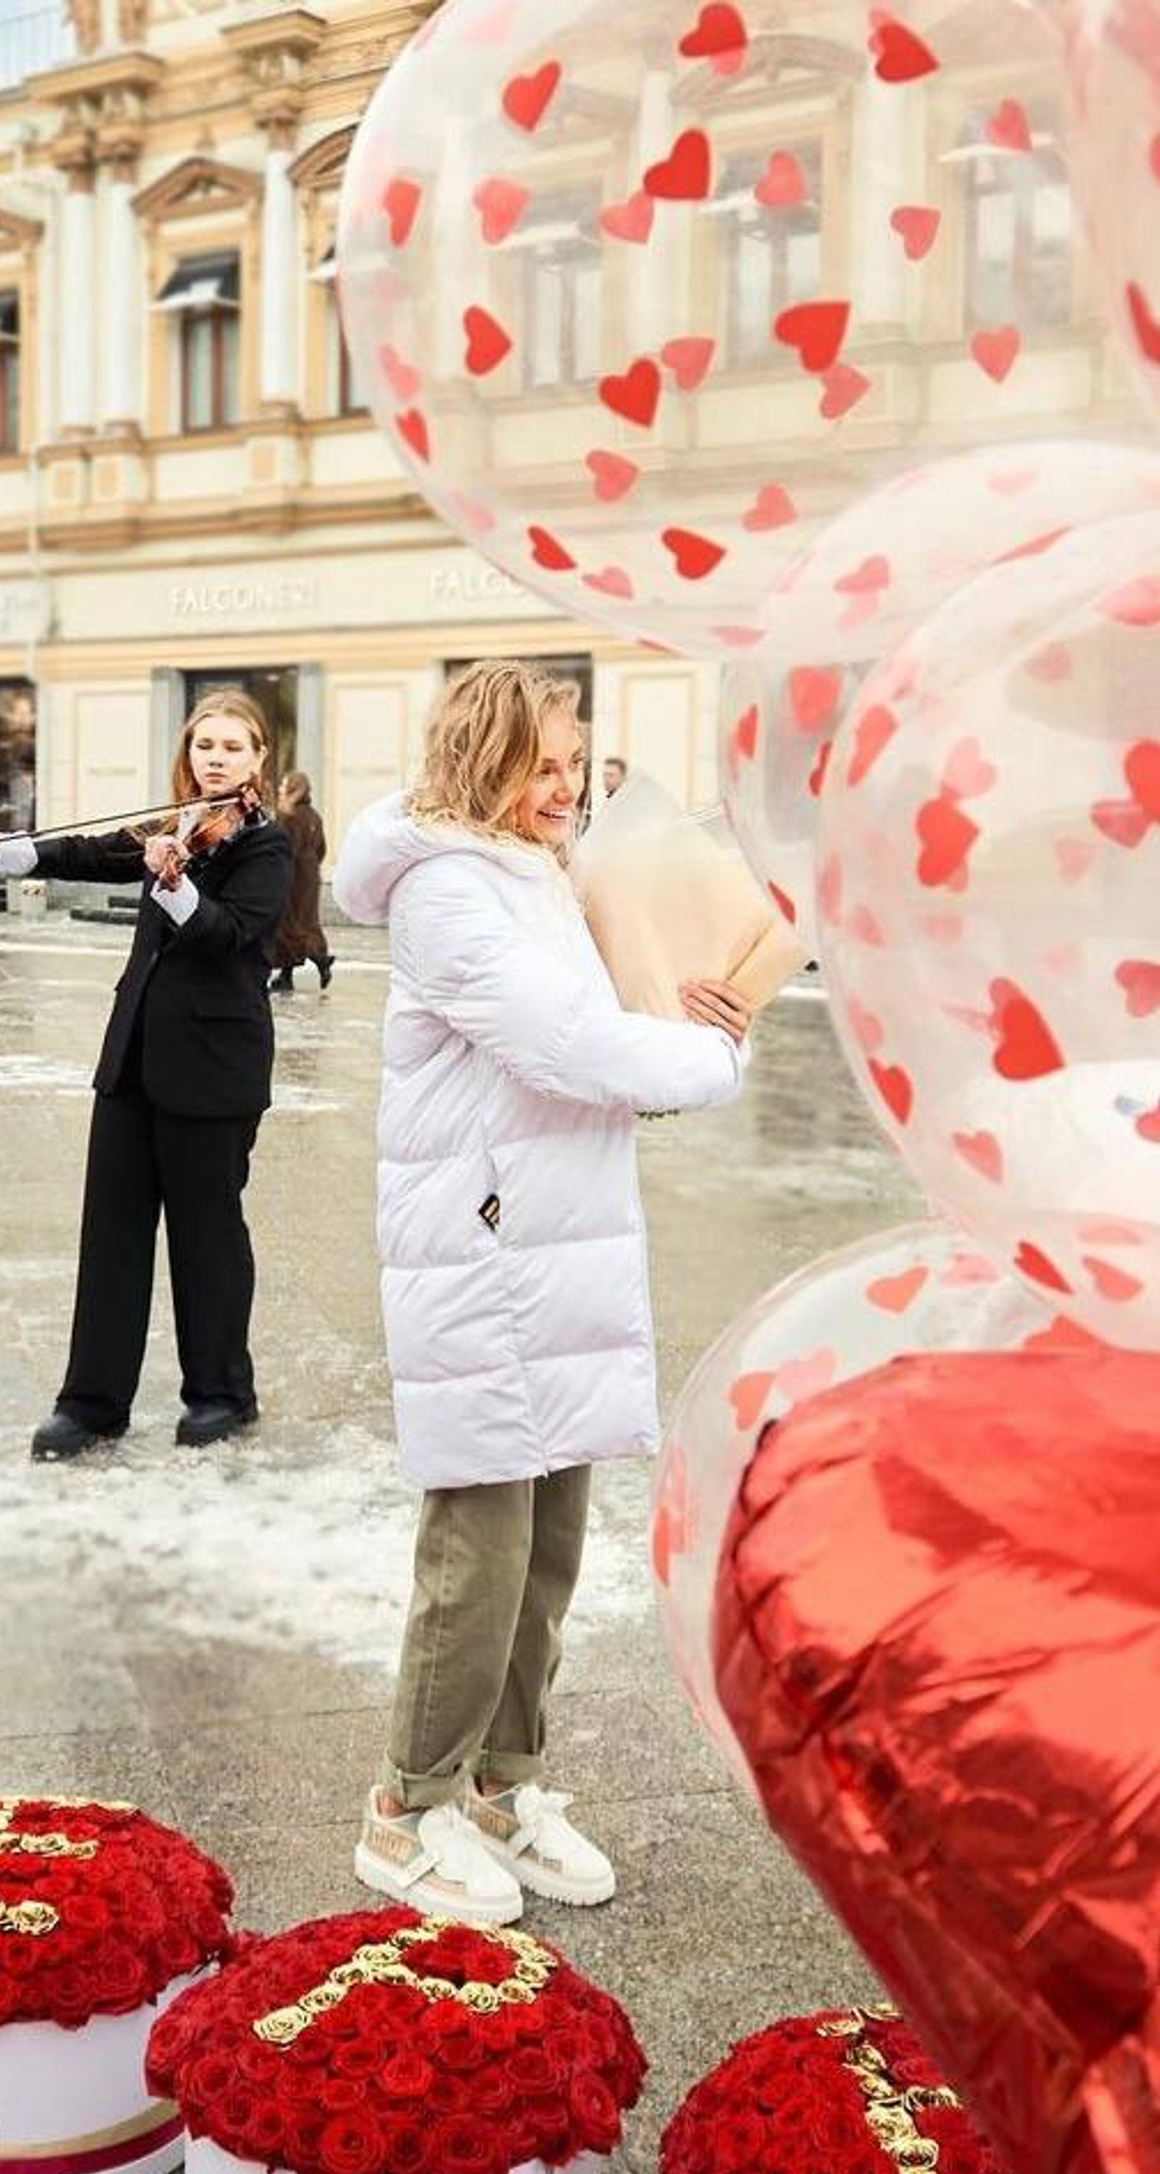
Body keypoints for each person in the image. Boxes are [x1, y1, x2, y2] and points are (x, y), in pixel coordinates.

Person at [333, 660, 750, 1924]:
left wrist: (697, 1013)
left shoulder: (539, 878)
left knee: (551, 1535)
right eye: (541, 765)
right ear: (482, 759)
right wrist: (709, 1059)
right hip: (485, 1246)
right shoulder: (449, 890)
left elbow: (606, 1030)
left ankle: (501, 1785)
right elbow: (559, 1044)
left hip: (554, 1235)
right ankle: (406, 1807)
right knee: (481, 1543)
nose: (563, 787)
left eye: (574, 764)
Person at [0, 689, 291, 1458]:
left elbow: (228, 935)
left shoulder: (266, 845)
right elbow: (90, 851)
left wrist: (173, 885)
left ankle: (221, 1394)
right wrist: (4, 848)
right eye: (206, 745)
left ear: (259, 758)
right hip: (133, 1059)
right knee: (111, 1236)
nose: (216, 758)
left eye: (233, 747)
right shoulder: (173, 823)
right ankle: (92, 1403)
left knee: (207, 1238)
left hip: (214, 1071)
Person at [269, 770, 333, 992]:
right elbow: (322, 848)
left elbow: (286, 850)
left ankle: (319, 960)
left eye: (284, 785)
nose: (279, 789)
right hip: (310, 877)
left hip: (293, 879)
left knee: (289, 925)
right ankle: (287, 976)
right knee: (306, 922)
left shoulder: (290, 817)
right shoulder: (314, 816)